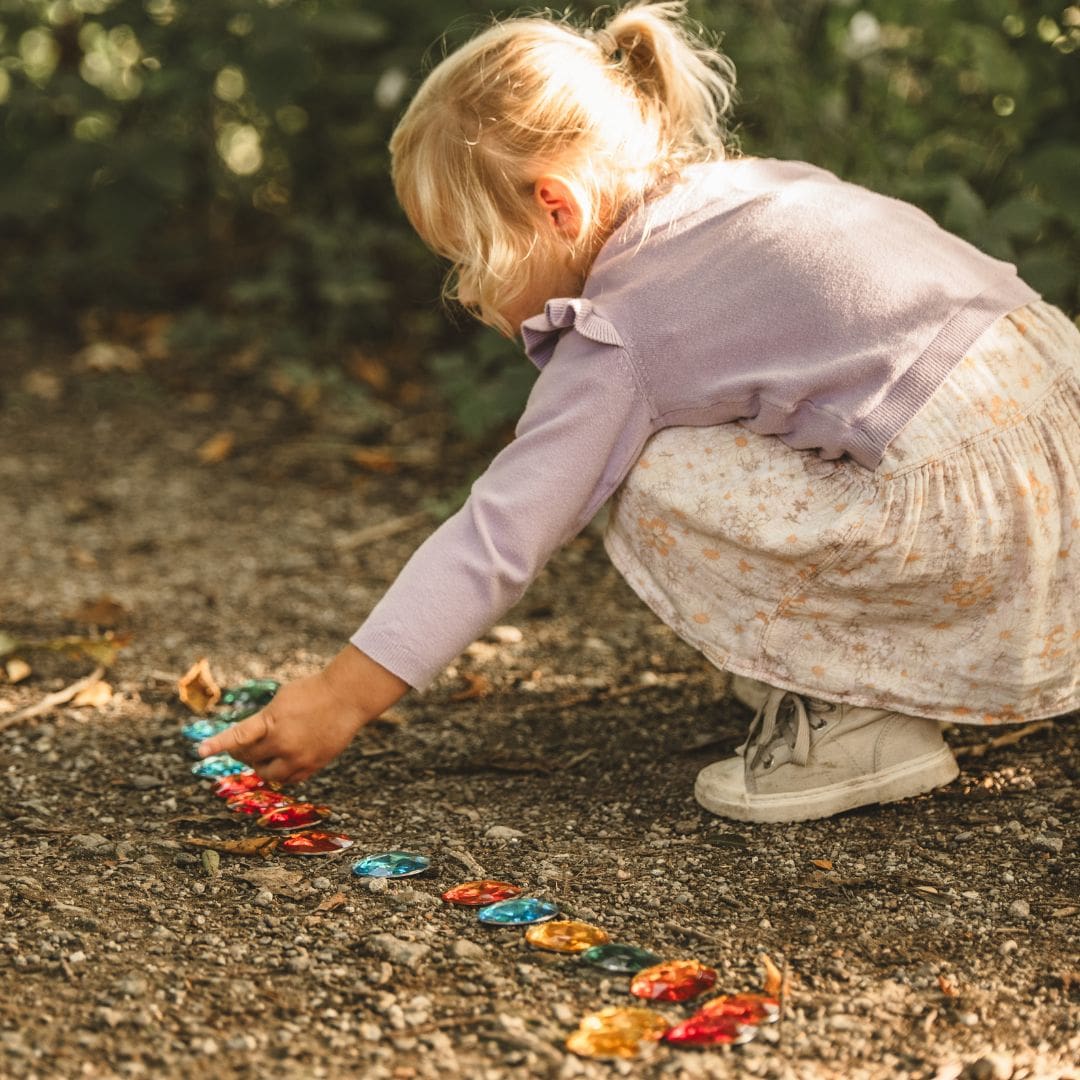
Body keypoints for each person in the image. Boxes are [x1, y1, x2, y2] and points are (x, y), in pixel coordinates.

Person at [200, 1, 1079, 822]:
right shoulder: (749, 189)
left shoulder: (626, 327)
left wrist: (342, 695)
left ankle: (856, 722)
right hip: (1057, 464)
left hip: (979, 523)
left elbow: (503, 531)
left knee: (646, 471)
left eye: (467, 259)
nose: (467, 294)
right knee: (703, 430)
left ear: (555, 206)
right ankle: (850, 650)